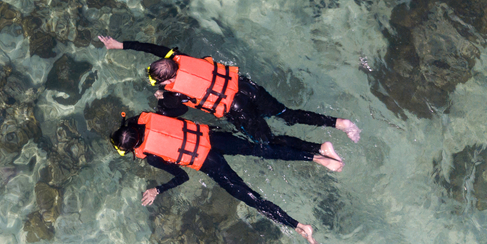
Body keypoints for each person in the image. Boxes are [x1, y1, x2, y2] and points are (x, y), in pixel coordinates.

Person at [110, 111, 343, 244]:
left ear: (132, 148)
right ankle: (317, 156)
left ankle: (300, 226)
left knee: (251, 197)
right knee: (263, 149)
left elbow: (182, 176)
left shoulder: (150, 157)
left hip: (209, 163)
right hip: (213, 136)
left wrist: (158, 189)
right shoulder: (142, 118)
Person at [98, 36, 361, 149]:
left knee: (267, 142)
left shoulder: (174, 94)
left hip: (237, 110)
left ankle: (320, 148)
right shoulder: (179, 58)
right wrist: (120, 45)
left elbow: (177, 112)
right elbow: (151, 48)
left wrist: (161, 101)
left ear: (167, 82)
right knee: (287, 114)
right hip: (247, 88)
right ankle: (341, 124)